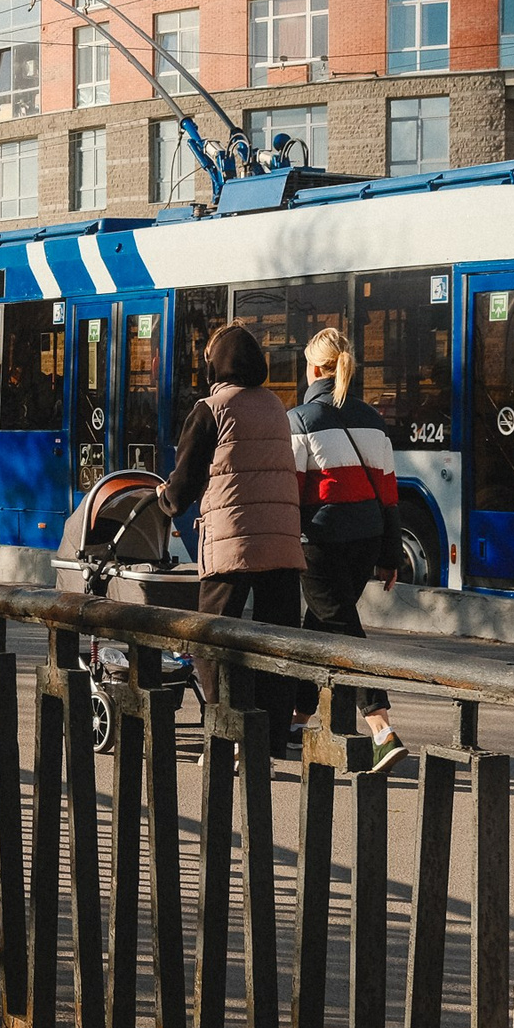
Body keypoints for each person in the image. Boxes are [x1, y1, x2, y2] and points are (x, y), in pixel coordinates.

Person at [158, 323, 304, 757]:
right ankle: (272, 739)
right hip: (281, 544)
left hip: (232, 546)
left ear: (214, 365)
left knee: (209, 640)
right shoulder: (277, 405)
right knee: (278, 644)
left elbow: (182, 486)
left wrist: (165, 500)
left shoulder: (210, 410)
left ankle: (228, 733)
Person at [289, 327, 407, 773]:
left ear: (315, 368)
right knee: (315, 627)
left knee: (340, 626)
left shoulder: (299, 420)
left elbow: (293, 493)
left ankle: (381, 726)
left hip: (319, 542)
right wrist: (390, 554)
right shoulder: (373, 420)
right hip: (368, 540)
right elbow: (389, 493)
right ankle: (298, 721)